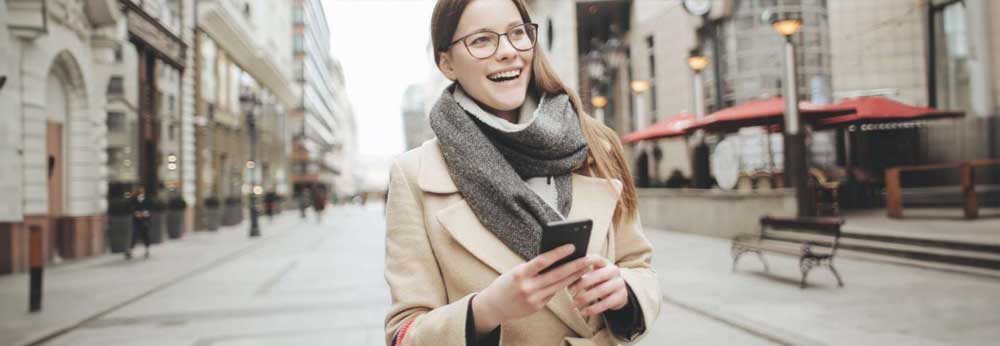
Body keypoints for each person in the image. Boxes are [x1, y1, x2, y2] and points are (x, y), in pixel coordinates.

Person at [384, 1, 660, 345]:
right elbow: (403, 334)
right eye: (482, 40)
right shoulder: (414, 175)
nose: (508, 52)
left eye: (517, 34)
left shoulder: (594, 144)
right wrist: (486, 310)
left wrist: (623, 290)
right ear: (447, 63)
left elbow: (639, 266)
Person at [127, 186, 153, 260]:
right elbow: (131, 208)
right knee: (134, 235)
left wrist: (145, 213)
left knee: (146, 235)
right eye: (139, 190)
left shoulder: (147, 199)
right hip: (136, 221)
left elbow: (150, 209)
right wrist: (135, 213)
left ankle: (147, 250)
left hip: (146, 220)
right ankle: (130, 250)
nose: (140, 192)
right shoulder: (133, 199)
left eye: (142, 190)